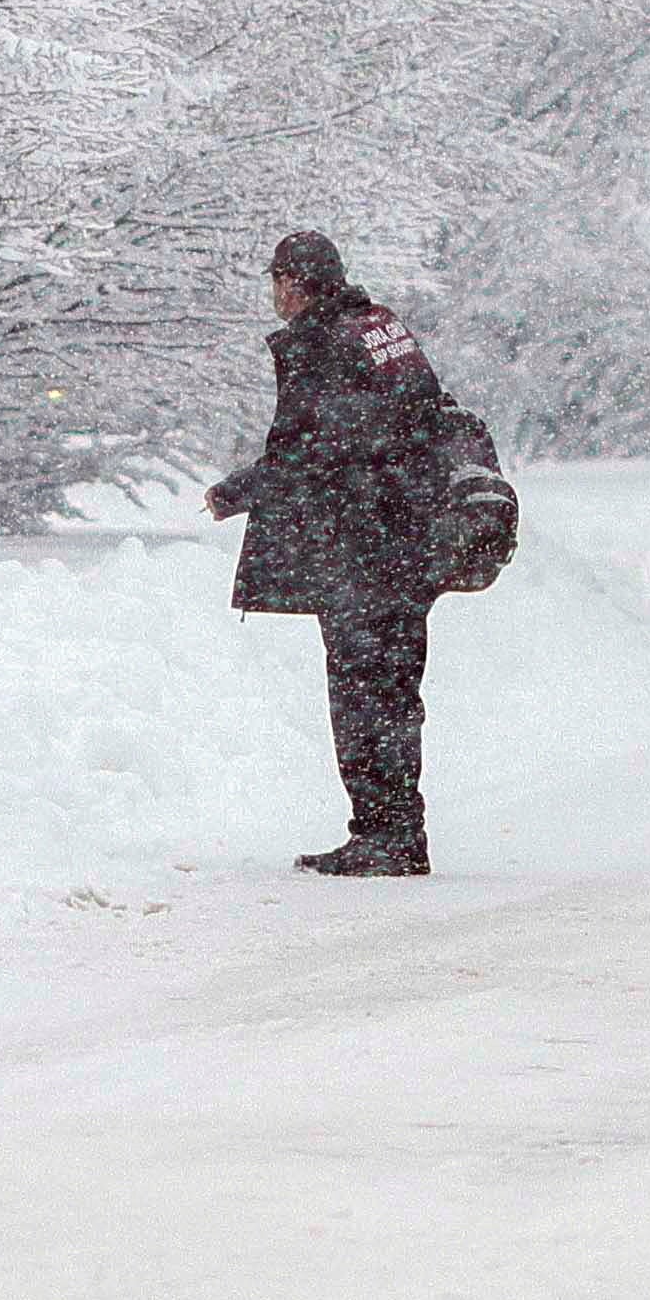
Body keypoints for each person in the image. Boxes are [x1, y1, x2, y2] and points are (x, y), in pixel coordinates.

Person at [204, 230, 449, 877]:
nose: (273, 294)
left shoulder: (322, 342)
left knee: (363, 693)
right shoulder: (379, 326)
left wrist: (238, 491)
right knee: (393, 691)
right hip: (405, 538)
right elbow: (421, 417)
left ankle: (384, 835)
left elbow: (316, 449)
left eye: (275, 281)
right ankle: (397, 831)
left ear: (292, 281)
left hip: (359, 543)